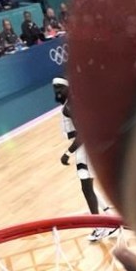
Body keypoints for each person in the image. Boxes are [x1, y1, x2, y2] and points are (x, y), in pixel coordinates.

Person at [52, 77, 115, 241]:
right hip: (90, 146)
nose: (57, 91)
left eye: (59, 87)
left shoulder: (72, 106)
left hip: (86, 149)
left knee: (86, 188)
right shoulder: (74, 103)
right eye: (54, 88)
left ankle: (100, 226)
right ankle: (108, 215)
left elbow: (83, 134)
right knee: (88, 188)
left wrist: (67, 152)